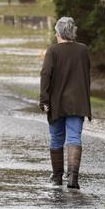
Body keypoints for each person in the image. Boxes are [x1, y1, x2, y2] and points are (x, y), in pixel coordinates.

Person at [39, 17, 92, 189]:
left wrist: (44, 99)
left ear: (59, 33)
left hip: (57, 102)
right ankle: (73, 178)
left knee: (56, 138)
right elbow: (86, 73)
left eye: (56, 31)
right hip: (78, 102)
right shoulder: (83, 50)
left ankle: (57, 176)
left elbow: (46, 75)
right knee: (75, 137)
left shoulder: (53, 51)